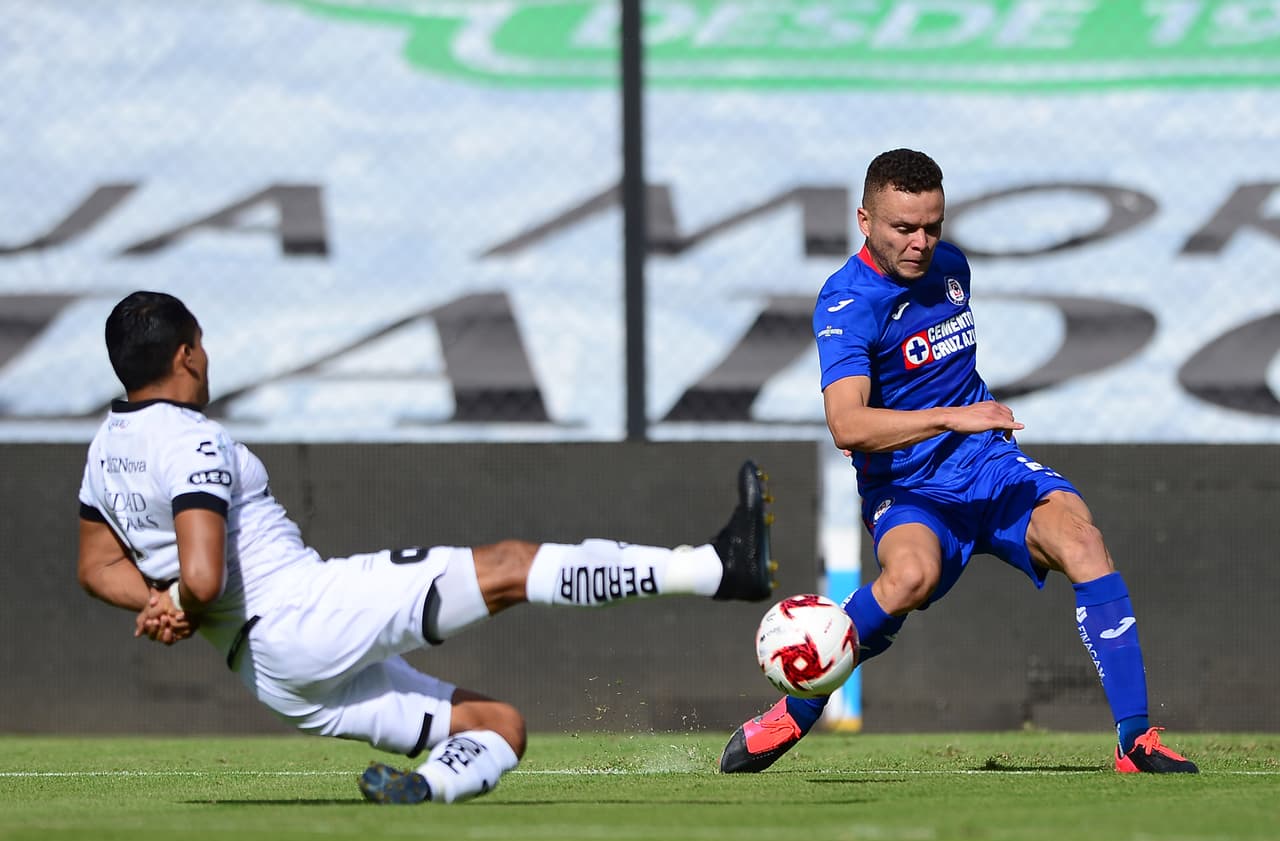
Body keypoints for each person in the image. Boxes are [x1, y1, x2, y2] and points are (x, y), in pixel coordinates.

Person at [77, 291, 777, 805]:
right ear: (187, 353)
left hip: (269, 673)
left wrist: (155, 601)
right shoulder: (191, 439)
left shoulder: (108, 447)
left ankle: (423, 787)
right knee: (509, 566)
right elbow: (199, 574)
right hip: (305, 613)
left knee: (499, 726)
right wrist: (176, 597)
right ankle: (718, 568)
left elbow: (96, 566)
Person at [719, 149, 1197, 775]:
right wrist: (948, 416)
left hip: (987, 464)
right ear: (864, 220)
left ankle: (1135, 740)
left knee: (1082, 540)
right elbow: (848, 424)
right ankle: (800, 710)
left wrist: (965, 424)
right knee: (908, 579)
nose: (920, 243)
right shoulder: (845, 303)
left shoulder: (950, 267)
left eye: (932, 226)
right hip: (910, 486)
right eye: (903, 228)